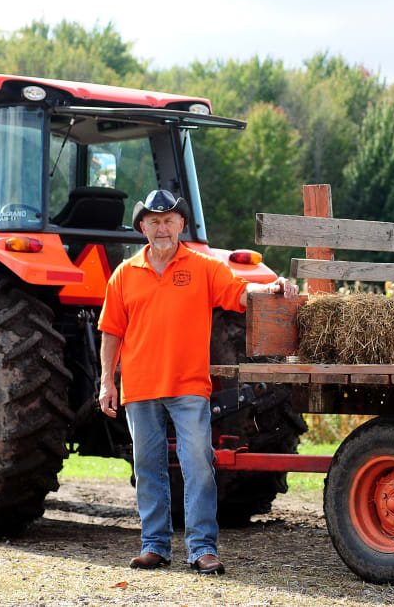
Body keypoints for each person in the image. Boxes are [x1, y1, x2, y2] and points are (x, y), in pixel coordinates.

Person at [97, 189, 298, 575]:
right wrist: (108, 381)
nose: (162, 228)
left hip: (188, 386)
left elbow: (240, 291)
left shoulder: (203, 267)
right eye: (154, 221)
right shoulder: (125, 274)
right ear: (142, 227)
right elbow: (110, 331)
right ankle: (154, 546)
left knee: (199, 467)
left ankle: (202, 548)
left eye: (169, 220)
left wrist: (270, 287)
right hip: (139, 387)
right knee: (148, 468)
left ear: (181, 225)